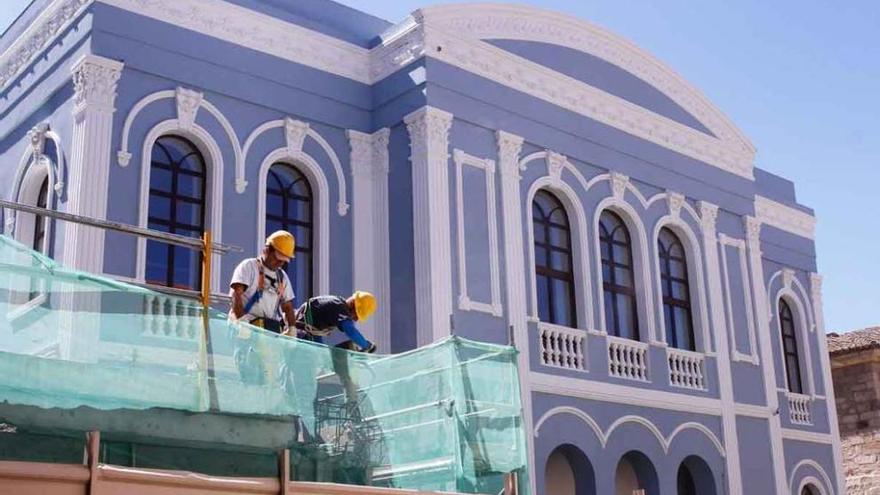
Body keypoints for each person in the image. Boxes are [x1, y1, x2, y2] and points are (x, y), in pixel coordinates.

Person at [229, 230, 297, 334]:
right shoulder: (249, 266)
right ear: (267, 250)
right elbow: (236, 295)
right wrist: (241, 321)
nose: (280, 263)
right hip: (243, 328)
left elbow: (287, 306)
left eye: (284, 260)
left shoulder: (282, 277)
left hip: (266, 331)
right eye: (278, 258)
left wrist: (292, 328)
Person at [294, 291, 377, 353]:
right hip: (303, 333)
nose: (355, 320)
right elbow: (351, 331)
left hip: (305, 332)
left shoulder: (336, 303)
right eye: (356, 315)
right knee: (312, 361)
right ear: (352, 304)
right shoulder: (340, 308)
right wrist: (366, 345)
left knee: (320, 355)